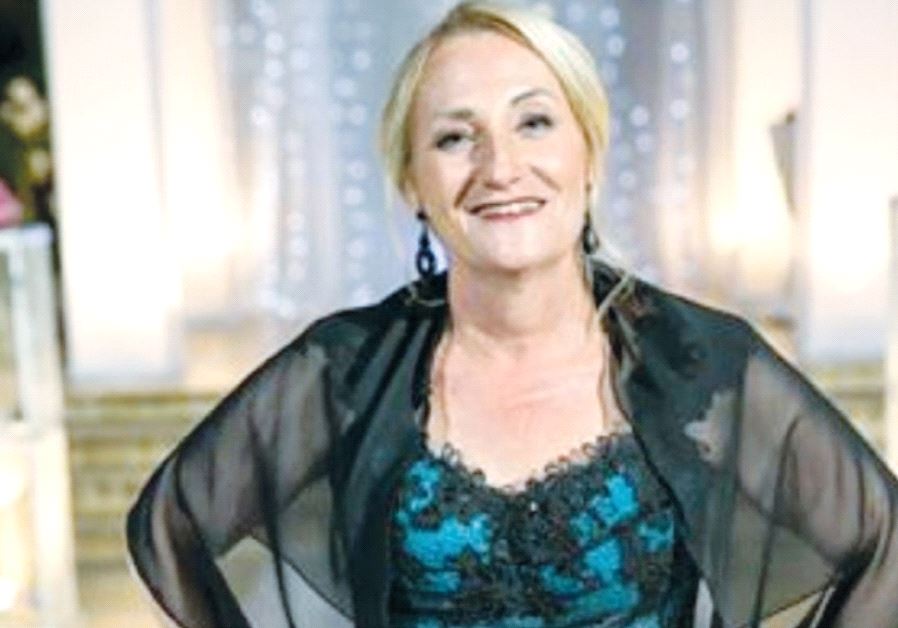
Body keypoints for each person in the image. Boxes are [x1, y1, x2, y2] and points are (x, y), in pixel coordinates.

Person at [126, 2, 898, 626]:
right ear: (412, 183)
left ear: (588, 153)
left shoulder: (700, 360)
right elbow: (171, 526)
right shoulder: (347, 366)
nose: (501, 166)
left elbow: (882, 543)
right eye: (454, 137)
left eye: (533, 123)